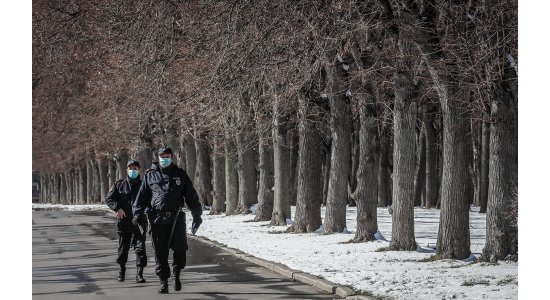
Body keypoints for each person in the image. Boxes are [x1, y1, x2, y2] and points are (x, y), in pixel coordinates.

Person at [133, 147, 203, 294]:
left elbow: (191, 195)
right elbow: (141, 198)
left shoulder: (180, 174)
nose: (165, 158)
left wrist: (197, 215)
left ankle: (176, 273)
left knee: (180, 248)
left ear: (172, 157)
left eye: (167, 155)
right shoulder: (150, 175)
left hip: (176, 217)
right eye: (162, 156)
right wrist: (137, 214)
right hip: (157, 218)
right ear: (158, 157)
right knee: (160, 252)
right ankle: (163, 281)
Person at [105, 159, 148, 283]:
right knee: (123, 250)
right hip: (123, 222)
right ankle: (122, 269)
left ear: (139, 170)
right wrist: (117, 209)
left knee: (140, 249)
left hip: (139, 222)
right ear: (127, 170)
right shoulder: (119, 185)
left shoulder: (144, 185)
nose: (133, 171)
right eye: (131, 168)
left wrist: (146, 211)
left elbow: (149, 201)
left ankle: (139, 273)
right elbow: (109, 199)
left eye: (135, 168)